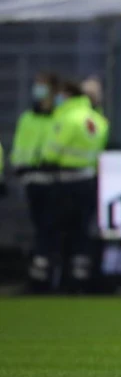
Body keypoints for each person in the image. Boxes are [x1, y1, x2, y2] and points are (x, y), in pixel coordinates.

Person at [40, 79, 109, 289]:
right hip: (88, 181)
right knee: (82, 231)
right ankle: (80, 278)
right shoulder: (99, 121)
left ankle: (54, 279)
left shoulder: (67, 119)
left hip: (64, 182)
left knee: (57, 231)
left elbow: (50, 153)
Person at [10, 73, 60, 284]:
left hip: (57, 181)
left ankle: (54, 274)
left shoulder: (60, 117)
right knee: (41, 229)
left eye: (42, 86)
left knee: (55, 229)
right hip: (32, 180)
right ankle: (40, 276)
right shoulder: (27, 118)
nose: (38, 90)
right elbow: (19, 148)